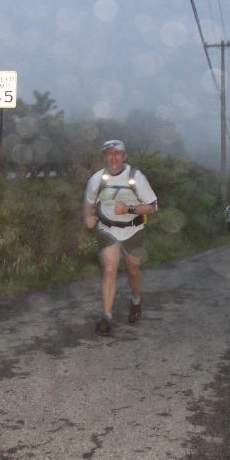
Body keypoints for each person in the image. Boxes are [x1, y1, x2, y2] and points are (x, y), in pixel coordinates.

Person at [84, 140, 158, 335]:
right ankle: (106, 317)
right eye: (109, 153)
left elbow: (152, 206)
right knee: (110, 270)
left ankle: (136, 300)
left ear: (124, 156)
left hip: (133, 229)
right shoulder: (97, 179)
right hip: (107, 229)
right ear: (104, 157)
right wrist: (88, 217)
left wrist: (129, 209)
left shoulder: (135, 177)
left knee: (133, 269)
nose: (113, 157)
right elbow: (89, 203)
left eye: (117, 153)